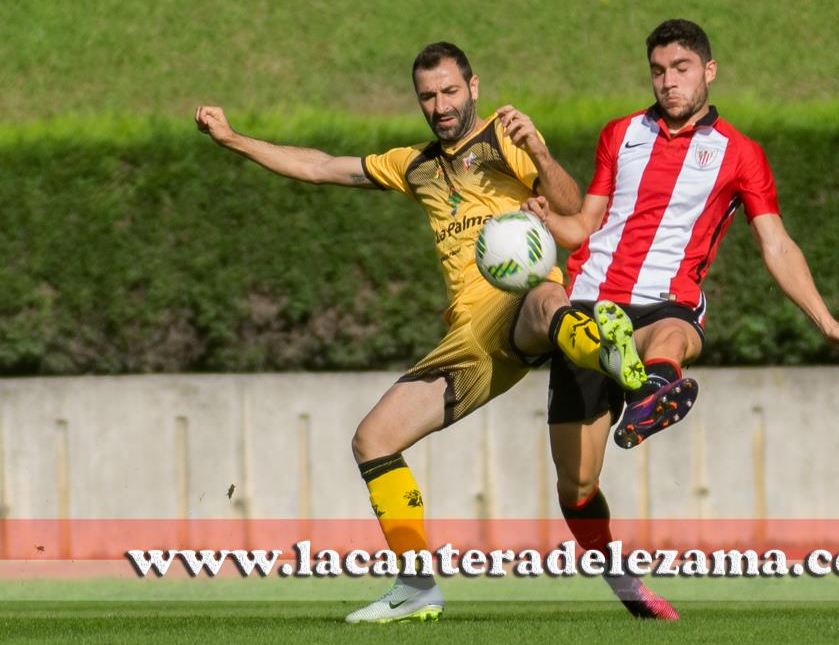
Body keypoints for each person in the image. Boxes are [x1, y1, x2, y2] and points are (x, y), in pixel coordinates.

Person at [195, 42, 651, 623]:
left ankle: (608, 351)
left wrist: (537, 145)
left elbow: (572, 211)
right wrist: (234, 140)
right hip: (468, 342)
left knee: (544, 295)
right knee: (372, 439)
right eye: (428, 96)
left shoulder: (504, 138)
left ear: (473, 87)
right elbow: (319, 166)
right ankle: (416, 585)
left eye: (450, 91)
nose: (440, 105)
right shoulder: (415, 165)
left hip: (522, 304)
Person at [526, 18, 839, 618]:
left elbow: (777, 245)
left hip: (666, 301)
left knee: (677, 332)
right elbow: (584, 225)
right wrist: (542, 224)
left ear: (708, 71)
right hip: (588, 305)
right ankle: (628, 589)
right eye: (658, 71)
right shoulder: (620, 134)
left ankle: (653, 384)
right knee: (576, 488)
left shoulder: (740, 155)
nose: (668, 82)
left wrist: (827, 321)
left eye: (681, 69)